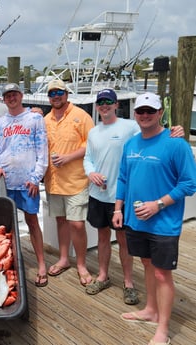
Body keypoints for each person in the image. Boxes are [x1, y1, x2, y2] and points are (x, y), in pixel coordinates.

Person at [83, 88, 185, 303]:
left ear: (116, 104)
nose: (104, 105)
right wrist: (90, 172)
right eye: (100, 102)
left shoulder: (130, 126)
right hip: (98, 194)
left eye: (108, 101)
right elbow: (88, 158)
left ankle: (128, 282)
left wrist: (175, 130)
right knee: (102, 237)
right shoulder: (93, 131)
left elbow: (154, 134)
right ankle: (103, 275)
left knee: (123, 240)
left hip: (121, 199)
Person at [112, 92, 196, 345]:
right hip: (136, 220)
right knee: (146, 264)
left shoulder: (175, 143)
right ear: (135, 114)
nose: (145, 115)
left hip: (164, 222)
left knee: (162, 274)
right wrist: (118, 209)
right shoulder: (131, 144)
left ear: (160, 113)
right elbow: (123, 178)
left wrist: (158, 204)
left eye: (151, 111)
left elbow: (189, 184)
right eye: (141, 111)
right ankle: (150, 309)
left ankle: (163, 329)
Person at [0, 83, 49, 287]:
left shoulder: (35, 118)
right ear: (3, 99)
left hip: (28, 182)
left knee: (32, 222)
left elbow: (43, 151)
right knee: (4, 226)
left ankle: (41, 264)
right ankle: (6, 263)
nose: (11, 98)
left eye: (14, 94)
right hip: (5, 182)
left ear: (21, 96)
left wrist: (36, 177)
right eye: (7, 95)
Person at [43, 79, 94, 287]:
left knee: (77, 224)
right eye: (52, 93)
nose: (56, 96)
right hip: (53, 181)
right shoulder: (45, 119)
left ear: (67, 94)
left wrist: (69, 157)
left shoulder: (81, 116)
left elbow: (91, 143)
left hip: (76, 181)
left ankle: (81, 264)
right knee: (61, 221)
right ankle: (64, 259)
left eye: (59, 92)